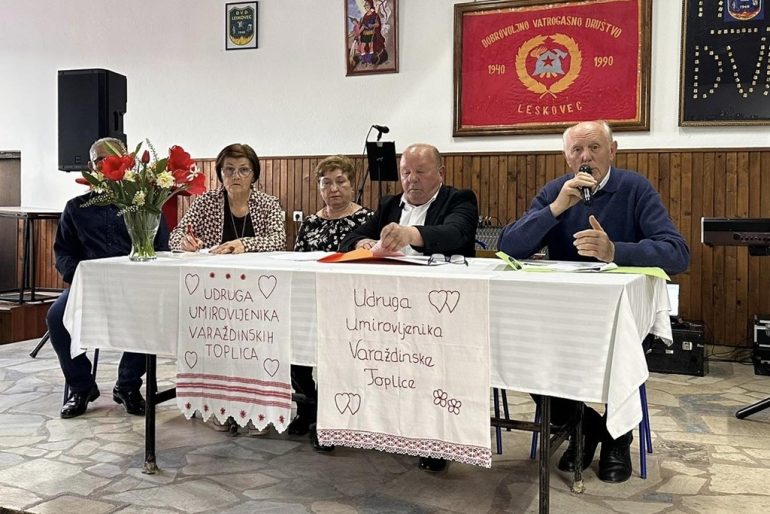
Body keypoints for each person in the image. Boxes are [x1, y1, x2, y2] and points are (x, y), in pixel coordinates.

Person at [498, 120, 690, 483]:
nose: (586, 157)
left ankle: (618, 440)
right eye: (577, 150)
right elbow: (509, 246)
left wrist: (616, 251)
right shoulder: (556, 190)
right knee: (519, 349)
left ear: (612, 151)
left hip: (620, 320)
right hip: (560, 318)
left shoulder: (634, 188)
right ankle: (587, 428)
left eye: (595, 148)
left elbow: (678, 252)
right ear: (567, 157)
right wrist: (556, 208)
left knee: (618, 351)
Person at [340, 143, 479, 473]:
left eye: (420, 172)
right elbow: (351, 238)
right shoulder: (389, 204)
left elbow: (455, 234)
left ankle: (434, 437)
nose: (411, 179)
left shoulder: (459, 199)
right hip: (389, 308)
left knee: (431, 362)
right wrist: (363, 242)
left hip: (443, 311)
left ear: (440, 173)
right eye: (405, 173)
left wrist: (410, 234)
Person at [48, 137, 170, 419]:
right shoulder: (75, 208)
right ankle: (81, 387)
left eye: (112, 158)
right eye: (99, 160)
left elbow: (162, 248)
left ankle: (127, 385)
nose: (105, 164)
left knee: (152, 314)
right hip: (89, 289)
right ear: (90, 167)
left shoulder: (145, 204)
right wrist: (80, 277)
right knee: (56, 317)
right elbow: (63, 253)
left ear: (127, 162)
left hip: (135, 289)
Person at [291, 155, 373, 451]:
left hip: (350, 306)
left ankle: (331, 419)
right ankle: (308, 409)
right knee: (296, 355)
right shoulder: (310, 222)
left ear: (352, 184)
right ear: (319, 187)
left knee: (335, 361)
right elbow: (297, 260)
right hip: (309, 301)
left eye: (341, 181)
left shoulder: (367, 220)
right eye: (327, 183)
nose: (334, 188)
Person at [169, 143, 285, 254]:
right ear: (221, 173)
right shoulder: (205, 202)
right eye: (229, 169)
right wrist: (184, 243)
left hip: (256, 267)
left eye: (244, 170)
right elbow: (176, 235)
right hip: (213, 266)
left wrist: (244, 244)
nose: (236, 176)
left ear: (253, 175)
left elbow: (279, 241)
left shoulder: (268, 204)